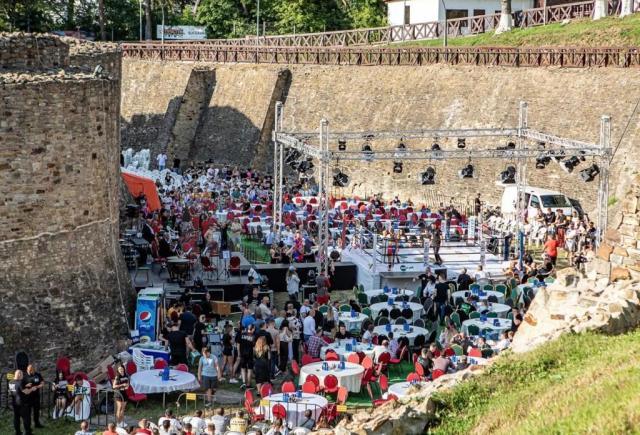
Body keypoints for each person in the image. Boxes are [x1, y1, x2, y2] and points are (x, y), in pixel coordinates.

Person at [10, 369, 34, 435]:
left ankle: (17, 432)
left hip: (15, 403)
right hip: (22, 404)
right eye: (22, 375)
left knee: (16, 418)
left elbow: (17, 388)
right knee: (26, 418)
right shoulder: (20, 382)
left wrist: (26, 386)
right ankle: (27, 432)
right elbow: (26, 392)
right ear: (19, 374)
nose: (22, 376)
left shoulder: (11, 382)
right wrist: (31, 389)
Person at [24, 365, 44, 429]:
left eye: (31, 370)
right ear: (27, 370)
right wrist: (27, 386)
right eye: (29, 370)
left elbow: (42, 383)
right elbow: (21, 386)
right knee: (28, 412)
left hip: (36, 396)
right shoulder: (24, 376)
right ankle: (28, 426)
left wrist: (37, 387)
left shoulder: (37, 374)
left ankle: (37, 423)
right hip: (27, 397)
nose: (30, 372)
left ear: (33, 369)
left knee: (36, 411)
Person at [238, 324, 256, 389]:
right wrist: (254, 355)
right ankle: (248, 384)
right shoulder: (253, 336)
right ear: (253, 329)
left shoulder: (242, 334)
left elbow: (238, 344)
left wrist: (239, 353)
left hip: (242, 354)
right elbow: (254, 348)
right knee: (249, 369)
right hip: (250, 354)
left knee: (243, 368)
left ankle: (243, 382)